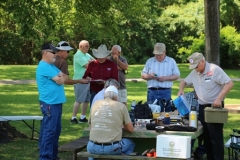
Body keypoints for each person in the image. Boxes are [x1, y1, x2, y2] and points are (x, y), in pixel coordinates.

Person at [177, 52, 234, 160]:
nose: (195, 69)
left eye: (196, 66)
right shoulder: (195, 72)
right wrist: (181, 90)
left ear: (203, 61)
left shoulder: (214, 69)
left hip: (214, 108)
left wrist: (219, 99)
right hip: (202, 107)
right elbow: (183, 82)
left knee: (215, 138)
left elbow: (229, 83)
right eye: (193, 67)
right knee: (206, 137)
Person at [36, 43, 67, 160]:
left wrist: (61, 77)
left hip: (56, 103)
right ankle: (45, 157)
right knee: (49, 131)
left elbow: (64, 77)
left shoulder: (51, 66)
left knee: (55, 130)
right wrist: (61, 78)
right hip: (50, 104)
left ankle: (52, 155)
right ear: (45, 53)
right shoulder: (44, 66)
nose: (56, 55)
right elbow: (60, 80)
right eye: (53, 52)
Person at [87, 86, 135, 160]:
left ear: (105, 95)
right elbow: (130, 129)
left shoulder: (96, 104)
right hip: (112, 148)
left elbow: (91, 124)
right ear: (116, 97)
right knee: (130, 143)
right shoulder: (121, 106)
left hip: (92, 147)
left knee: (92, 150)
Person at [141, 42, 180, 112]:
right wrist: (151, 76)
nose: (158, 56)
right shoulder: (150, 61)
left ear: (164, 52)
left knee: (166, 112)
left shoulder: (171, 61)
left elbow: (177, 75)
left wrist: (165, 78)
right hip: (152, 91)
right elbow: (143, 75)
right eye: (156, 55)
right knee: (151, 112)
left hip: (166, 91)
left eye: (160, 54)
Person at [70, 40, 95, 124]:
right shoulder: (78, 55)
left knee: (86, 100)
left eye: (88, 46)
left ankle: (82, 117)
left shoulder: (87, 55)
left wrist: (90, 62)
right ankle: (73, 118)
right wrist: (90, 62)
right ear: (81, 47)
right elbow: (87, 66)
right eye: (86, 46)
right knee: (79, 100)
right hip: (80, 80)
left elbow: (96, 63)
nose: (88, 48)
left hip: (88, 81)